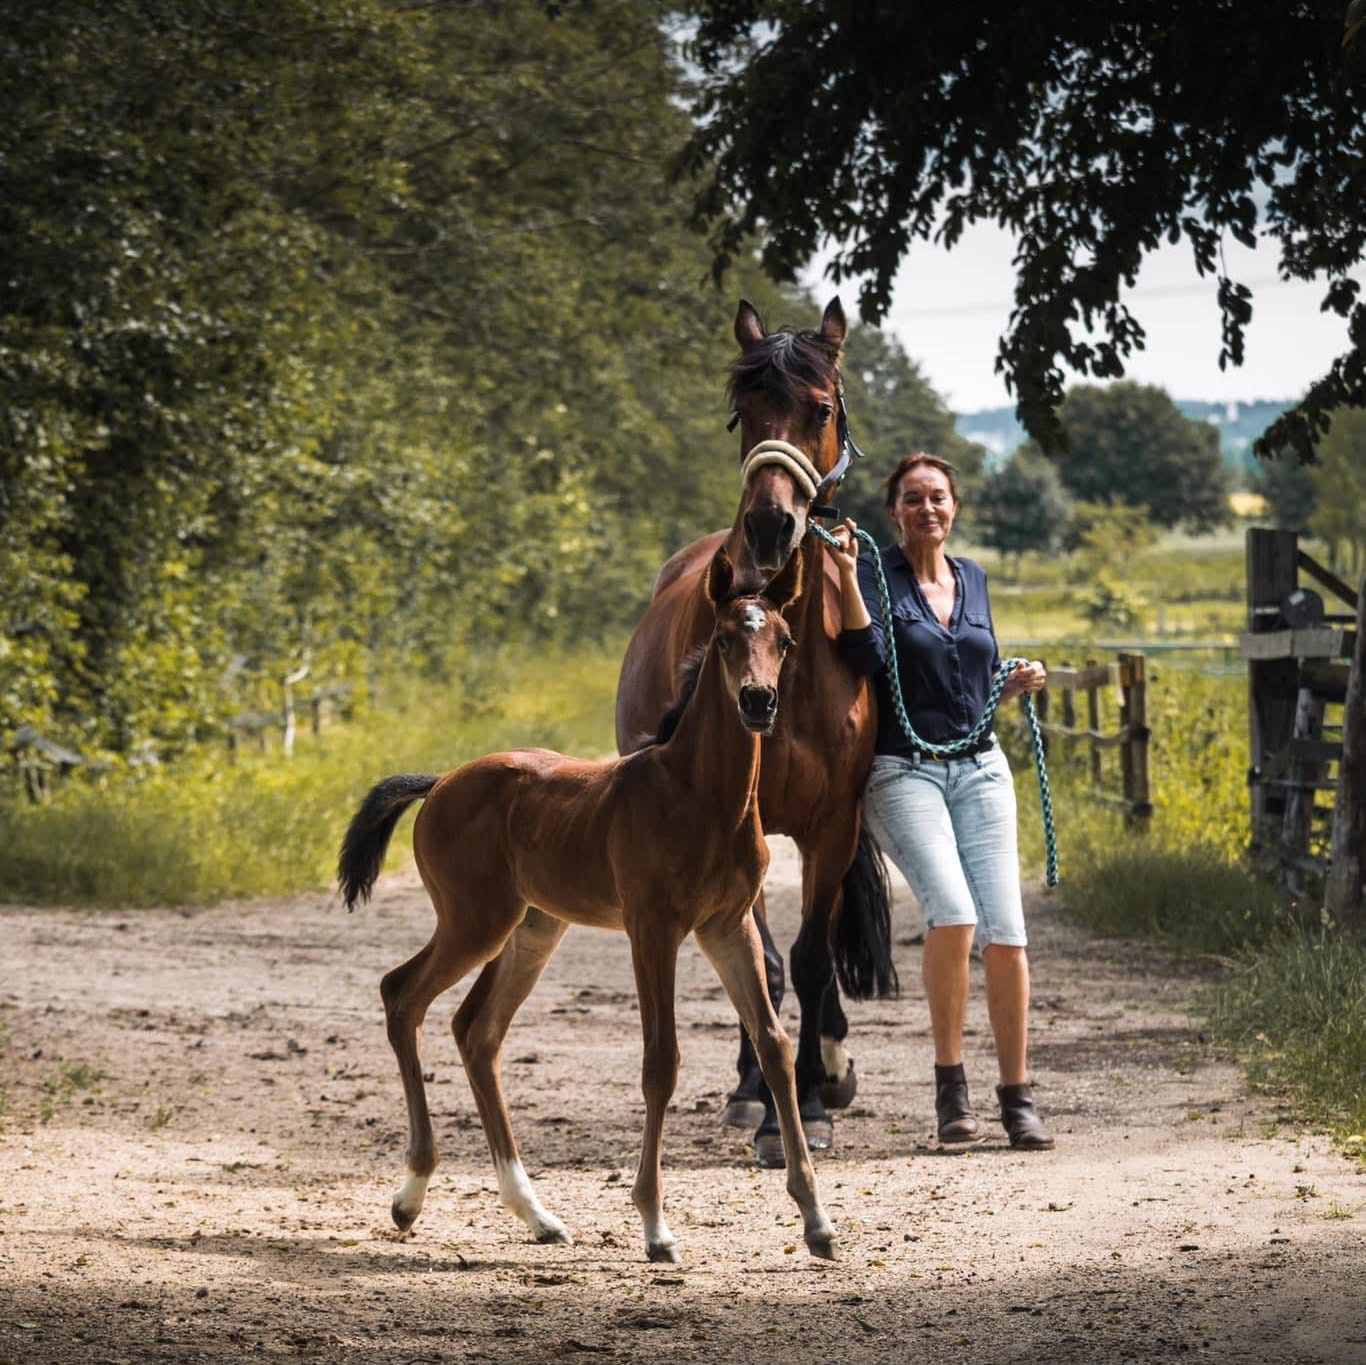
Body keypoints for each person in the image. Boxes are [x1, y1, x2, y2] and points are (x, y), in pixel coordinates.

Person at [824, 452, 1054, 1150]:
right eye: (914, 498)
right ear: (894, 511)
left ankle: (1017, 1097)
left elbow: (974, 662)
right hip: (904, 771)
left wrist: (1011, 680)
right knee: (952, 915)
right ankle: (950, 1088)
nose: (929, 508)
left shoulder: (974, 578)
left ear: (955, 508)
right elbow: (864, 657)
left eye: (940, 497)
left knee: (1007, 932)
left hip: (982, 768)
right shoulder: (872, 573)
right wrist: (842, 574)